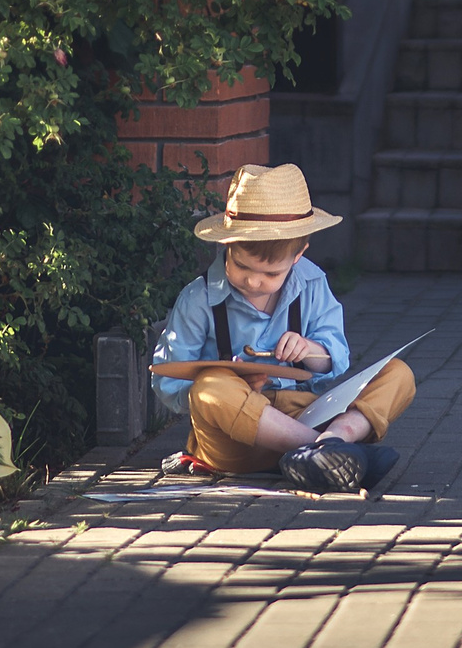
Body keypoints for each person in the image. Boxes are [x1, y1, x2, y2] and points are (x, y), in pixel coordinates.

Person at [148, 162, 413, 493]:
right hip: (232, 442)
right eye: (242, 267)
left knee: (398, 373)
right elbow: (166, 379)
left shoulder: (313, 284)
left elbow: (336, 360)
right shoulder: (198, 298)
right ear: (226, 245)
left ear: (298, 254)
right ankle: (331, 449)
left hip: (304, 413)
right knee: (209, 387)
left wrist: (310, 350)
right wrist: (235, 385)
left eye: (271, 274)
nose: (255, 281)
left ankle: (334, 440)